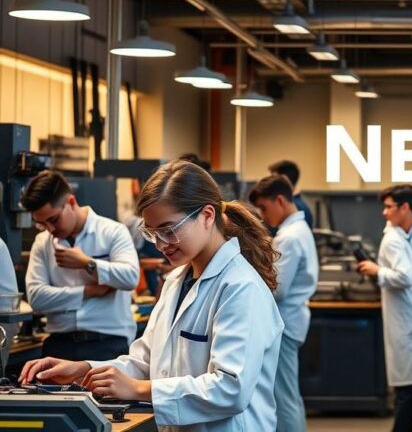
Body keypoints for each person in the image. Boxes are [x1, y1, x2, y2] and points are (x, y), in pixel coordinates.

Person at [20, 160, 284, 431]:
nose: (159, 245)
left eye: (168, 230)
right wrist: (85, 370)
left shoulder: (240, 287)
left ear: (207, 216)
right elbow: (145, 362)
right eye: (152, 233)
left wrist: (137, 389)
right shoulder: (176, 282)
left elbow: (230, 388)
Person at [21, 171, 140, 361]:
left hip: (108, 345)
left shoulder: (112, 232)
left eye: (53, 220)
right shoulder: (42, 243)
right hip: (59, 346)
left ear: (71, 202)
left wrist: (87, 263)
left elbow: (130, 277)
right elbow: (37, 298)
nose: (50, 229)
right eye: (42, 224)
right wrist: (90, 290)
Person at [357, 184, 412, 432]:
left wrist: (376, 270)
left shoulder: (394, 239)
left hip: (410, 319)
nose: (384, 213)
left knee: (407, 394)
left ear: (405, 207)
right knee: (411, 393)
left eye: (388, 206)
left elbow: (406, 277)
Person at [249, 175, 320, 432]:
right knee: (288, 394)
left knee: (283, 398)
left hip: (285, 324)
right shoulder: (299, 230)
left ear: (280, 200)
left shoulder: (289, 237)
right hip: (293, 320)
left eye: (264, 208)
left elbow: (276, 289)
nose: (263, 215)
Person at [269, 160, 314, 229]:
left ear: (285, 181)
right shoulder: (298, 204)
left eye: (274, 180)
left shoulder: (296, 208)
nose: (271, 185)